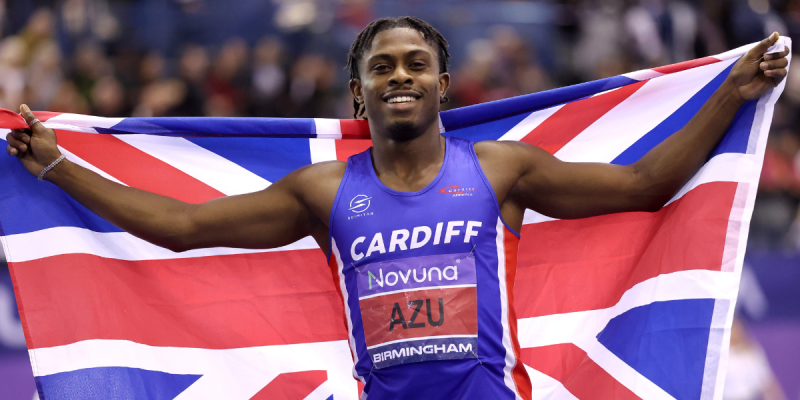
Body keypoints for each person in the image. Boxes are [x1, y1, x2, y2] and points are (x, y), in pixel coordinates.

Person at [4, 16, 789, 400]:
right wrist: (61, 166)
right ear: (360, 91)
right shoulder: (323, 191)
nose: (400, 76)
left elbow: (642, 186)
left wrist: (730, 91)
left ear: (444, 86)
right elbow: (181, 229)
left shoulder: (498, 168)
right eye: (382, 67)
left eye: (418, 64)